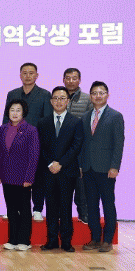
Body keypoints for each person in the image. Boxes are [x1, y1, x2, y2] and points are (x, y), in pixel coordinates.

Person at [3, 63, 52, 222]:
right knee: (15, 176)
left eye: (31, 73)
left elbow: (47, 121)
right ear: (20, 75)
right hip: (15, 144)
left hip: (36, 142)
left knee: (37, 177)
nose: (28, 76)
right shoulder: (12, 94)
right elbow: (6, 118)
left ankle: (37, 208)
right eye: (25, 73)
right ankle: (14, 208)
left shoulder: (45, 94)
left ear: (37, 75)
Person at [37, 86, 84, 253]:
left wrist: (61, 163)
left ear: (68, 101)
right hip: (48, 171)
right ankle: (51, 241)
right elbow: (40, 146)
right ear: (51, 101)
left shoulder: (76, 121)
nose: (59, 101)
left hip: (67, 171)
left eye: (62, 98)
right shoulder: (43, 122)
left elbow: (76, 146)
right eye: (55, 98)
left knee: (65, 207)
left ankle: (66, 241)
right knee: (50, 207)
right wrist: (51, 163)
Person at [80, 81, 124, 253]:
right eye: (94, 93)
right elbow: (83, 143)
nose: (98, 96)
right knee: (91, 205)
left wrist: (115, 166)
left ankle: (108, 240)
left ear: (107, 95)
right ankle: (95, 238)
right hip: (88, 168)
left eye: (101, 93)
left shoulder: (115, 116)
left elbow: (118, 143)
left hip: (106, 169)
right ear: (90, 96)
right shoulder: (85, 117)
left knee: (108, 204)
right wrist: (81, 165)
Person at [0, 99, 39, 251]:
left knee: (24, 209)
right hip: (7, 175)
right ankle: (12, 240)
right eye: (12, 110)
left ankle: (24, 241)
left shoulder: (30, 130)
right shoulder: (3, 128)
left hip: (23, 177)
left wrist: (29, 177)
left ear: (24, 112)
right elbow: (0, 152)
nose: (15, 113)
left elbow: (34, 156)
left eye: (18, 110)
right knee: (11, 209)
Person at [63, 68, 92, 224]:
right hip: (61, 148)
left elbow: (90, 124)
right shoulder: (58, 96)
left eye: (74, 78)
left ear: (79, 80)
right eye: (68, 78)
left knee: (81, 185)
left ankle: (84, 213)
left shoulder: (87, 99)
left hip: (80, 149)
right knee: (61, 185)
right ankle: (61, 214)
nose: (71, 81)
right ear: (63, 80)